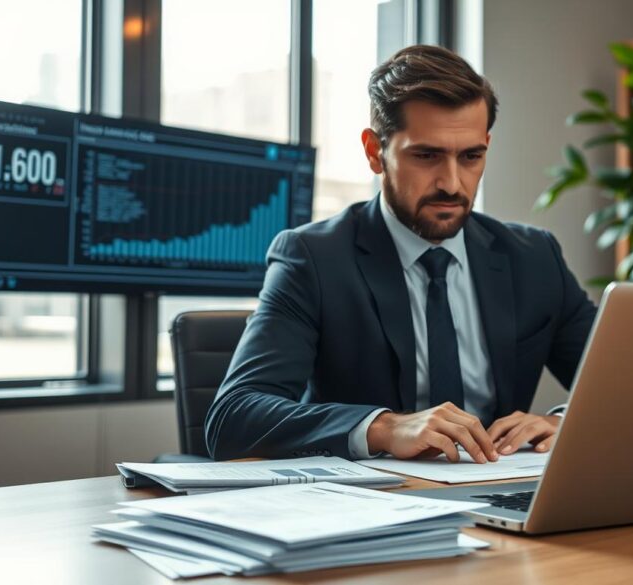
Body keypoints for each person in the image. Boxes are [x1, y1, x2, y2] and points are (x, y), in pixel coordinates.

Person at [204, 44, 597, 464]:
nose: (451, 183)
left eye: (470, 157)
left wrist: (566, 420)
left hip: (500, 496)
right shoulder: (313, 258)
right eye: (426, 155)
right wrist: (384, 427)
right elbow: (233, 418)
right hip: (373, 506)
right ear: (375, 152)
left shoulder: (534, 257)